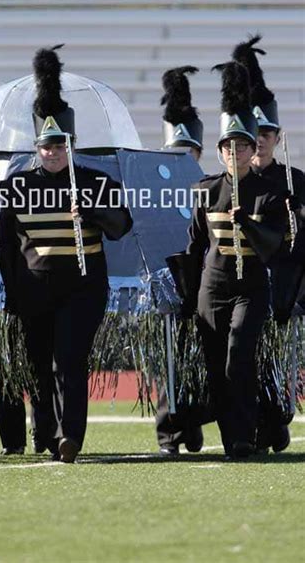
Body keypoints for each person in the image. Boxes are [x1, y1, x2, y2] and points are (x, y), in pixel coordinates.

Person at [0, 45, 132, 463]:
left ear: (71, 145)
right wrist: (14, 293)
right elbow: (5, 246)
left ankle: (69, 436)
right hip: (34, 288)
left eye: (59, 146)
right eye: (46, 146)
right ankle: (45, 433)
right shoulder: (17, 186)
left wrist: (89, 210)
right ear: (36, 147)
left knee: (68, 360)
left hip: (83, 287)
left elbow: (121, 227)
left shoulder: (96, 181)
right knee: (38, 366)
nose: (52, 153)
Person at [185, 60, 286, 459]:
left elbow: (272, 245)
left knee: (239, 356)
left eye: (244, 145)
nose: (238, 152)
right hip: (214, 286)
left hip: (252, 287)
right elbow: (195, 246)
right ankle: (231, 438)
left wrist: (246, 221)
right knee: (216, 367)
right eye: (230, 146)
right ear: (221, 150)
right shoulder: (206, 190)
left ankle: (244, 436)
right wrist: (186, 295)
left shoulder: (267, 192)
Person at [233, 34, 305, 453]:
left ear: (278, 136)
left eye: (267, 132)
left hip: (285, 286)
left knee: (276, 361)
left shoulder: (296, 180)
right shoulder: (233, 181)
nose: (260, 139)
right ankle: (259, 423)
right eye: (253, 131)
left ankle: (275, 419)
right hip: (242, 283)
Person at [156, 65, 205, 456]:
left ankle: (195, 424)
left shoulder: (211, 187)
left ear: (200, 153)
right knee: (168, 360)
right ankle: (169, 432)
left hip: (206, 282)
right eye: (175, 152)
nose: (181, 159)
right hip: (168, 283)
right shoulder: (151, 190)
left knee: (204, 357)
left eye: (187, 152)